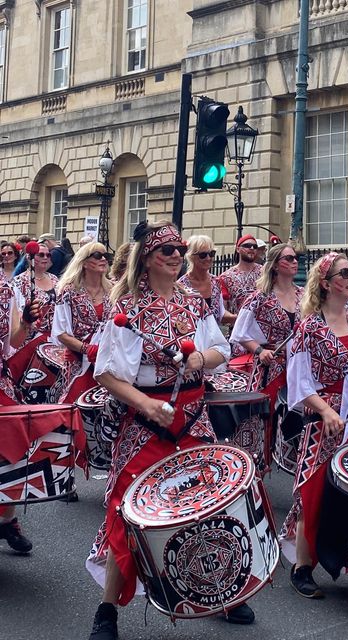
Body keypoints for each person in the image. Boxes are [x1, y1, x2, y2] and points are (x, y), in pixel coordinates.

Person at [86, 220, 256, 640]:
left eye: (180, 249)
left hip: (193, 418)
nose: (177, 256)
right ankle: (107, 610)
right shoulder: (126, 307)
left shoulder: (193, 302)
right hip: (145, 422)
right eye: (168, 251)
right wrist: (146, 405)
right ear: (147, 257)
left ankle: (223, 592)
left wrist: (201, 360)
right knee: (127, 515)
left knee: (209, 507)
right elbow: (106, 373)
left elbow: (222, 346)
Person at [280, 252, 348, 598]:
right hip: (324, 417)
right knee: (313, 492)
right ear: (327, 283)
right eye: (344, 272)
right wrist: (325, 411)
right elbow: (298, 383)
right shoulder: (309, 327)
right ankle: (302, 567)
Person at [231, 243, 303, 466]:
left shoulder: (303, 295)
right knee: (263, 422)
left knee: (294, 421)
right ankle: (256, 474)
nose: (294, 262)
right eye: (288, 259)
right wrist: (260, 351)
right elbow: (240, 333)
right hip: (270, 369)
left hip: (297, 368)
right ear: (274, 266)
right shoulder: (259, 297)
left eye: (295, 258)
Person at [51, 242, 112, 404]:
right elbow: (61, 333)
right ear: (84, 262)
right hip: (77, 360)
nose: (103, 259)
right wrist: (87, 349)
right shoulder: (68, 291)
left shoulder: (113, 290)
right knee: (74, 407)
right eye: (98, 256)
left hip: (106, 362)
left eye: (106, 256)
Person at [0, 271, 34, 554]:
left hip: (1, 384)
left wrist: (25, 323)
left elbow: (13, 342)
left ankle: (7, 520)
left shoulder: (6, 289)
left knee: (13, 452)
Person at [7, 242, 59, 403]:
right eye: (40, 255)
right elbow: (18, 315)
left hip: (54, 340)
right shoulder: (18, 282)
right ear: (30, 258)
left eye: (48, 255)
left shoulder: (55, 280)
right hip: (30, 341)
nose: (45, 258)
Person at [179, 235, 234, 326]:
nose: (208, 258)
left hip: (214, 338)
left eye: (211, 253)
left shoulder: (216, 282)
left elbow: (220, 313)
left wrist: (239, 317)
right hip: (192, 338)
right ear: (191, 256)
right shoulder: (181, 286)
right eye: (203, 255)